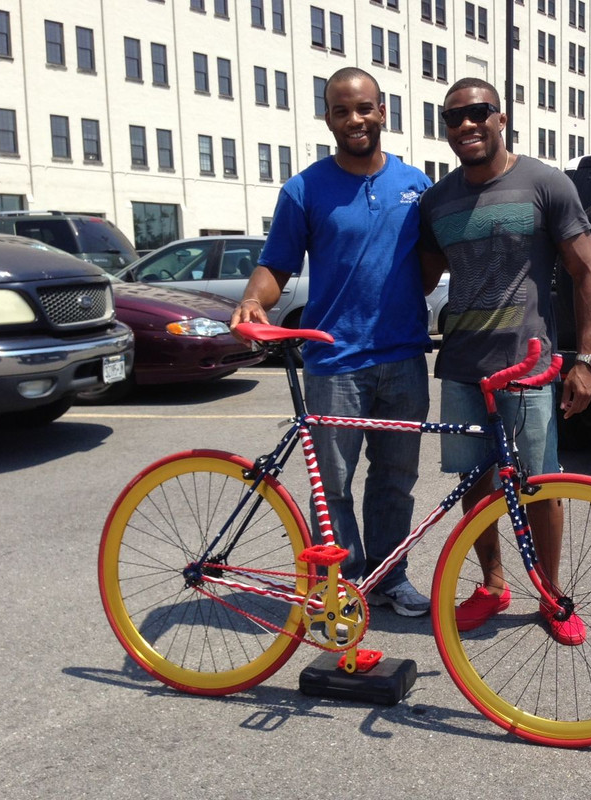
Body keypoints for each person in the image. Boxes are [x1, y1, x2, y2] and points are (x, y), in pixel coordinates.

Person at [231, 67, 433, 617]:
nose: (355, 119)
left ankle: (389, 578)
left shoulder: (416, 184)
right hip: (334, 361)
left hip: (404, 356)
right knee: (335, 487)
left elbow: (434, 260)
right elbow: (276, 265)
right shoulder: (304, 189)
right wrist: (254, 300)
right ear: (328, 119)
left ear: (383, 111)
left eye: (364, 108)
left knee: (396, 480)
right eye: (342, 111)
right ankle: (340, 584)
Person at [418, 78, 591, 645]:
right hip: (461, 366)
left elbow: (587, 272)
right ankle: (493, 585)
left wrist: (586, 360)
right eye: (454, 117)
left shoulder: (545, 183)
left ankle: (550, 594)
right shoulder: (437, 200)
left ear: (501, 118)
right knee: (475, 484)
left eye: (478, 113)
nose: (467, 125)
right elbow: (419, 279)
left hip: (526, 368)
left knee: (539, 484)